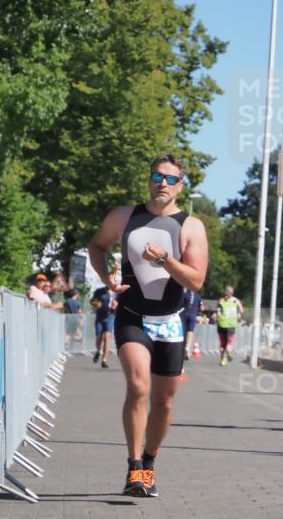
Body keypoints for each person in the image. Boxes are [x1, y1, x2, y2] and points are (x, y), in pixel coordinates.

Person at [88, 154, 208, 498]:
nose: (162, 183)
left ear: (180, 186)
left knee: (164, 404)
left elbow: (196, 280)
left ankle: (150, 463)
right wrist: (105, 275)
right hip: (132, 314)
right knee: (138, 386)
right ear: (149, 180)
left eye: (170, 179)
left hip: (170, 321)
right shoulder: (124, 216)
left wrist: (167, 260)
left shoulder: (191, 226)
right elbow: (97, 246)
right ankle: (134, 467)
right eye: (157, 176)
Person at [213, 286, 243, 366]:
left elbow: (218, 313)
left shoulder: (221, 300)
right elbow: (241, 310)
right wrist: (238, 314)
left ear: (225, 292)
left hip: (222, 324)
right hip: (231, 324)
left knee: (222, 343)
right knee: (229, 342)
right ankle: (228, 353)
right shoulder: (236, 301)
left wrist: (216, 318)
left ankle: (223, 359)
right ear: (232, 292)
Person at [90, 284, 118, 368]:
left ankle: (104, 360)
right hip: (100, 317)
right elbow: (92, 301)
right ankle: (98, 351)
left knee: (107, 337)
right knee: (99, 337)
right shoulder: (99, 291)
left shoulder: (117, 292)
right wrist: (96, 304)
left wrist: (116, 305)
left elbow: (123, 303)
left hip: (111, 316)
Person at [181, 288, 203, 361]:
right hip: (193, 315)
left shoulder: (184, 294)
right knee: (190, 332)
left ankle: (181, 349)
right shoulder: (198, 296)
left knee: (183, 332)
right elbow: (202, 308)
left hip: (184, 315)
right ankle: (187, 348)